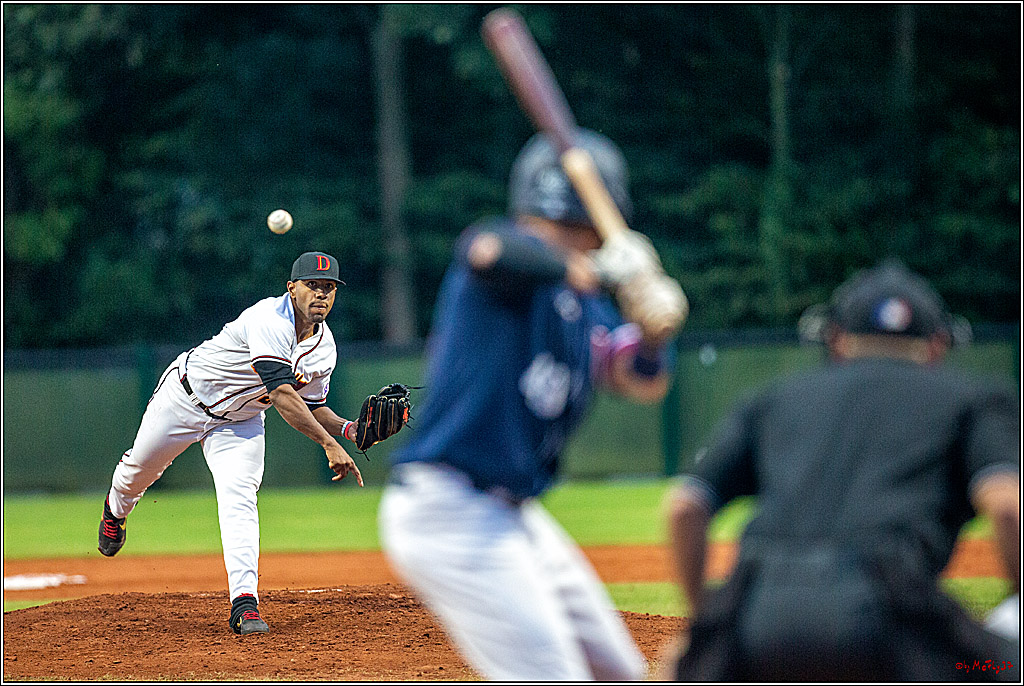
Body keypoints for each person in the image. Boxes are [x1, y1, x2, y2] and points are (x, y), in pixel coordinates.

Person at [378, 129, 688, 680]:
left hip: (516, 515)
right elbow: (490, 251)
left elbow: (638, 379)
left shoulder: (582, 305)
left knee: (625, 674)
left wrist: (654, 334)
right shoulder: (507, 264)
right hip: (451, 512)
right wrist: (600, 273)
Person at [665, 260, 1020, 681]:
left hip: (758, 610)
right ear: (938, 344)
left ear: (835, 340)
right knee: (999, 663)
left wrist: (703, 621)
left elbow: (684, 507)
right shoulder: (972, 398)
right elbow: (1006, 506)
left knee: (677, 665)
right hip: (889, 613)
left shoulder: (774, 398)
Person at [99, 251, 368, 635]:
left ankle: (245, 604)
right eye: (312, 285)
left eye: (329, 288)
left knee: (239, 498)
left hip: (238, 423)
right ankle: (115, 512)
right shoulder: (267, 319)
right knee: (138, 472)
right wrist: (327, 444)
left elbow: (315, 406)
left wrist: (348, 431)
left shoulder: (325, 349)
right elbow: (282, 396)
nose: (321, 295)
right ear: (292, 289)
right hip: (185, 399)